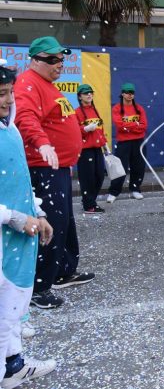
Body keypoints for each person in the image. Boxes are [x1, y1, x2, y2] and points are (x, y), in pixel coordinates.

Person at [14, 36, 95, 309]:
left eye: (61, 58)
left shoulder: (49, 86)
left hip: (58, 167)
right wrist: (43, 142)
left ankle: (62, 270)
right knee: (50, 225)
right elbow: (24, 117)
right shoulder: (28, 83)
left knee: (65, 222)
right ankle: (39, 286)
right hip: (42, 168)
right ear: (35, 60)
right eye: (52, 59)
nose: (59, 64)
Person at [0, 61, 57, 388]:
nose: (8, 101)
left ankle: (14, 364)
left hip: (21, 238)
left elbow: (20, 180)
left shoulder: (10, 128)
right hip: (6, 238)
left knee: (13, 307)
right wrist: (14, 218)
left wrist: (38, 212)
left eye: (9, 93)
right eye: (1, 95)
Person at [107, 83, 148, 202]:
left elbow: (144, 126)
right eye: (127, 92)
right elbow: (120, 126)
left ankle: (135, 189)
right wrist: (135, 124)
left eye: (132, 92)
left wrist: (129, 127)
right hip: (123, 143)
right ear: (122, 94)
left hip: (139, 142)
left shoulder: (139, 108)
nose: (130, 95)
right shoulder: (117, 108)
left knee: (138, 167)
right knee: (120, 169)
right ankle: (114, 192)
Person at [75, 84, 107, 214]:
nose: (89, 95)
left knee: (100, 176)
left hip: (97, 148)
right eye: (85, 93)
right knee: (87, 178)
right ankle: (89, 205)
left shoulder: (95, 110)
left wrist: (105, 144)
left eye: (90, 92)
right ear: (79, 96)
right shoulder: (76, 112)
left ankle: (89, 201)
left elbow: (100, 129)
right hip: (85, 150)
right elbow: (74, 131)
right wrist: (86, 129)